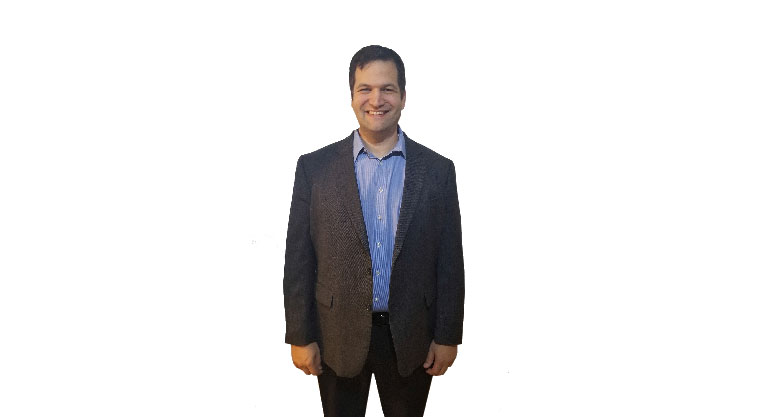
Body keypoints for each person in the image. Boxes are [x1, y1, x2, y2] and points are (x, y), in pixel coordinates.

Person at [283, 44, 465, 417]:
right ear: (352, 95)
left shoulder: (437, 171)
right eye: (365, 88)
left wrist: (448, 336)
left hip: (412, 338)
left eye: (387, 89)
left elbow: (450, 261)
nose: (376, 100)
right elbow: (299, 260)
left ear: (403, 97)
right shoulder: (314, 169)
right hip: (336, 336)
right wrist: (300, 335)